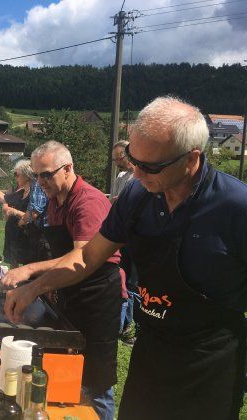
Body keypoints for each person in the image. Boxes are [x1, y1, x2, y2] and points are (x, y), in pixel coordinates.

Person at [3, 97, 247, 420]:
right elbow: (87, 256)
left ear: (191, 159)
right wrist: (34, 287)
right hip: (151, 349)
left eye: (151, 166)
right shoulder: (137, 195)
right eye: (133, 159)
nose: (136, 172)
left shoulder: (235, 207)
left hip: (207, 364)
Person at [0, 141, 121, 420]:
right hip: (70, 293)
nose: (41, 181)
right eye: (36, 175)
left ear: (67, 169)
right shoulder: (55, 201)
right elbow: (60, 257)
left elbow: (82, 257)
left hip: (97, 300)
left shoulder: (88, 202)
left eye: (46, 174)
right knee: (67, 370)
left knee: (95, 381)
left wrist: (31, 273)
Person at [111, 140, 138, 345]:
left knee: (132, 283)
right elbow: (115, 201)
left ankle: (129, 326)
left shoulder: (139, 177)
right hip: (122, 233)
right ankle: (122, 324)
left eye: (118, 158)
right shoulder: (121, 177)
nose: (116, 163)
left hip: (135, 236)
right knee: (122, 279)